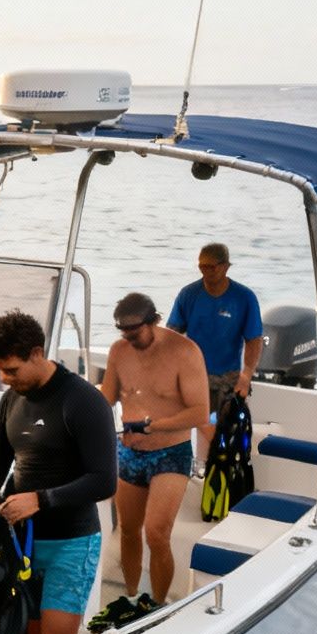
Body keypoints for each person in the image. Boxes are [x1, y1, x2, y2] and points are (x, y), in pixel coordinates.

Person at [0, 310, 117, 634]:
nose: (5, 378)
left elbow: (104, 481)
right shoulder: (11, 400)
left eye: (12, 369)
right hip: (20, 542)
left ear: (37, 353)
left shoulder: (83, 401)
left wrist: (41, 500)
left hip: (72, 542)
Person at [98, 293, 210, 615]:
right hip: (129, 452)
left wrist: (153, 426)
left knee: (157, 533)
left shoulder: (184, 352)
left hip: (170, 453)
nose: (128, 338)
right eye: (123, 332)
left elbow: (201, 413)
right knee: (129, 531)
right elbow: (106, 397)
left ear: (154, 321)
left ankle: (159, 607)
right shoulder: (119, 351)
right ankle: (133, 598)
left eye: (134, 332)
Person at [167, 242, 264, 460]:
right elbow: (172, 335)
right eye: (202, 267)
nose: (206, 272)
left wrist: (246, 376)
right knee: (202, 426)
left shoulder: (244, 298)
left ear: (226, 266)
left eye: (211, 267)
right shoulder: (188, 294)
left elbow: (254, 339)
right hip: (194, 377)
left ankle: (225, 463)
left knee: (227, 433)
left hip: (228, 379)